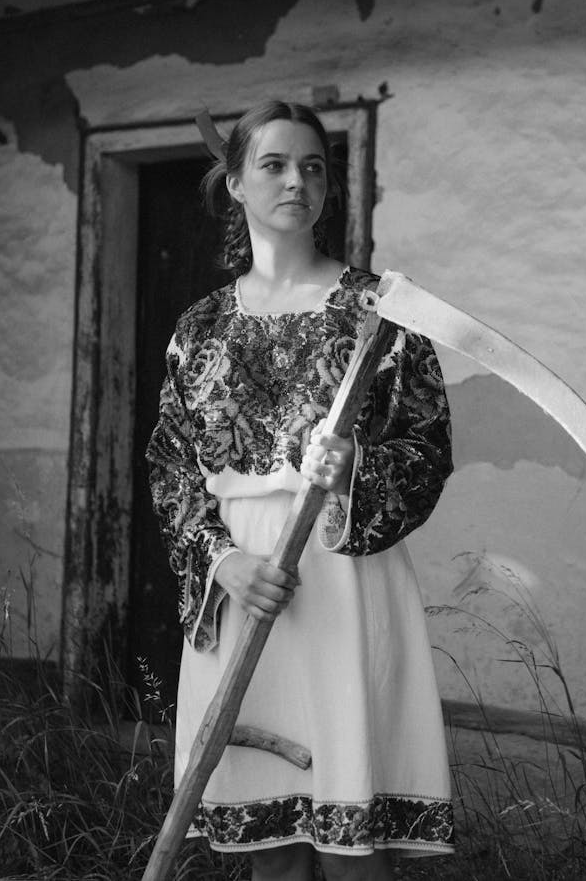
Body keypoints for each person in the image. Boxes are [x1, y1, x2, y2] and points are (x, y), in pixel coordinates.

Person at [146, 100, 454, 881]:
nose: (297, 181)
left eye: (313, 166)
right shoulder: (199, 328)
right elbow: (171, 465)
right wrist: (221, 563)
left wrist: (354, 463)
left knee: (354, 851)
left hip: (344, 582)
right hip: (246, 590)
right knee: (271, 852)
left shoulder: (381, 315)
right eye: (275, 165)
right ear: (236, 185)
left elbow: (427, 449)